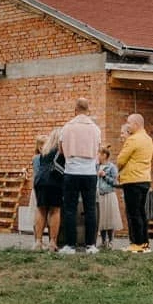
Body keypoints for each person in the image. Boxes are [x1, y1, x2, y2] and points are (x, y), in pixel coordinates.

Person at [56, 98, 102, 255]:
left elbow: (61, 150)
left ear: (75, 110)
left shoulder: (67, 127)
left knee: (69, 209)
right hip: (89, 173)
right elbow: (98, 149)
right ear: (88, 110)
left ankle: (70, 245)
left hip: (72, 172)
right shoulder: (95, 129)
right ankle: (91, 245)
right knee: (90, 209)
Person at [115, 113, 153, 253]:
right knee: (141, 213)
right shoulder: (148, 139)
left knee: (133, 213)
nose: (128, 125)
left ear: (136, 124)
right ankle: (145, 243)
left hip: (132, 180)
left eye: (129, 123)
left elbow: (120, 160)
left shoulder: (133, 140)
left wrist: (118, 169)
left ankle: (136, 244)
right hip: (145, 179)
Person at [31, 132, 62, 250]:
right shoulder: (60, 151)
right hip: (54, 181)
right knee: (55, 210)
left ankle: (38, 241)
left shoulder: (44, 151)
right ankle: (52, 242)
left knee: (41, 209)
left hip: (40, 181)